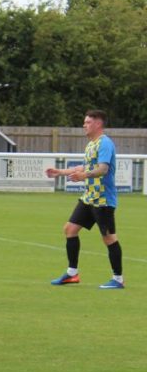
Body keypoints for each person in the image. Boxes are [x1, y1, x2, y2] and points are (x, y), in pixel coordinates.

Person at [44, 109, 124, 289]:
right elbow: (86, 166)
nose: (84, 125)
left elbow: (102, 169)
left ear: (98, 123)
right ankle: (72, 274)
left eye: (87, 122)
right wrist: (61, 172)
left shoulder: (105, 144)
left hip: (103, 200)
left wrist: (83, 176)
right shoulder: (91, 144)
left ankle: (118, 279)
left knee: (109, 238)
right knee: (70, 229)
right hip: (89, 198)